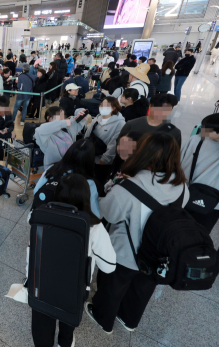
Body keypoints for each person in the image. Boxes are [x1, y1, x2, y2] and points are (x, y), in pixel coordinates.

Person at [87, 132, 188, 334]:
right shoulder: (182, 186)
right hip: (158, 254)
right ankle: (129, 320)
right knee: (142, 289)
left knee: (112, 288)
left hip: (126, 253)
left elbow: (108, 212)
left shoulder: (130, 186)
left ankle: (103, 318)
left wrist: (114, 186)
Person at [29, 173, 115, 347]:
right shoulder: (94, 227)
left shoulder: (38, 215)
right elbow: (109, 266)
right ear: (86, 196)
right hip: (74, 289)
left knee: (41, 324)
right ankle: (65, 342)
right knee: (68, 321)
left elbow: (32, 250)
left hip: (41, 283)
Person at [32, 139, 101, 217]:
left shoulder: (53, 169)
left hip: (42, 217)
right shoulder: (89, 183)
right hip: (68, 224)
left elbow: (36, 191)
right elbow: (95, 214)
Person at [82, 97, 126, 184]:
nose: (102, 107)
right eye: (102, 105)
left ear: (113, 108)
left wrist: (106, 158)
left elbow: (114, 143)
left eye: (106, 106)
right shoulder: (97, 118)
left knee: (98, 181)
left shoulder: (120, 123)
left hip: (103, 160)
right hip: (91, 156)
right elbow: (88, 133)